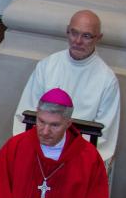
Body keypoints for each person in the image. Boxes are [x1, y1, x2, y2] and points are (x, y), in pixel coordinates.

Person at [13, 9, 120, 168]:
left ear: (98, 38)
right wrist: (32, 151)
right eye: (74, 33)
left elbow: (104, 135)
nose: (78, 41)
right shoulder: (47, 66)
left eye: (86, 36)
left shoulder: (107, 80)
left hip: (78, 160)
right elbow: (25, 115)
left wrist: (70, 159)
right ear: (67, 31)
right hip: (39, 152)